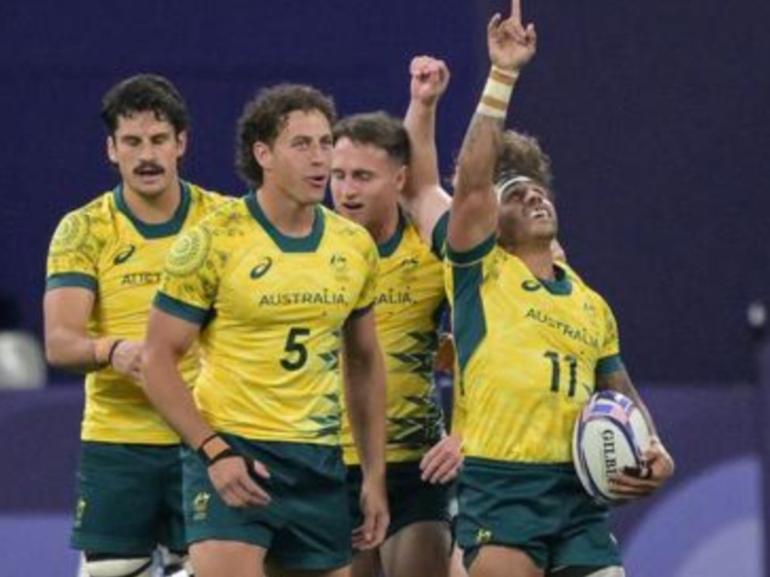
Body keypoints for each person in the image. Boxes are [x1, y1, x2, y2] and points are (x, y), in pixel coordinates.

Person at [443, 2, 676, 576]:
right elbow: (472, 185)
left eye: (536, 192)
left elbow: (618, 387)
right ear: (492, 222)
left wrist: (656, 449)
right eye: (515, 197)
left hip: (575, 491)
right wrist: (503, 75)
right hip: (502, 482)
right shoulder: (480, 272)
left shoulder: (589, 301)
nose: (533, 198)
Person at [141, 84, 389, 577]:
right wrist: (213, 452)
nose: (320, 160)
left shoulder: (353, 246)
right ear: (263, 155)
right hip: (237, 451)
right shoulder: (214, 240)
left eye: (325, 143)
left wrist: (374, 475)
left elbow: (364, 362)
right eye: (302, 145)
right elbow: (156, 359)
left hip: (318, 463)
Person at [44, 74, 226, 577]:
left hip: (207, 435)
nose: (147, 155)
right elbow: (60, 344)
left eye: (158, 140)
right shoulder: (84, 229)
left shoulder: (225, 222)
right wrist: (111, 351)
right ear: (111, 149)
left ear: (180, 144)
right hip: (119, 444)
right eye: (132, 142)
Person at [330, 112, 464, 577]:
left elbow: (489, 343)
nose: (347, 191)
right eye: (338, 175)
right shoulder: (309, 253)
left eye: (363, 177)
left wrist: (468, 432)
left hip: (415, 467)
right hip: (328, 465)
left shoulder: (430, 255)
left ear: (399, 178)